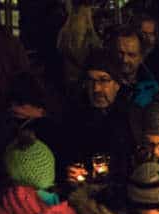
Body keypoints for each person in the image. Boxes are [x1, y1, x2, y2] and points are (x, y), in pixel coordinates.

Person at [58, 49, 136, 189]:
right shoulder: (73, 117)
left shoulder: (131, 118)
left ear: (117, 84)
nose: (96, 88)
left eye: (104, 80)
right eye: (91, 80)